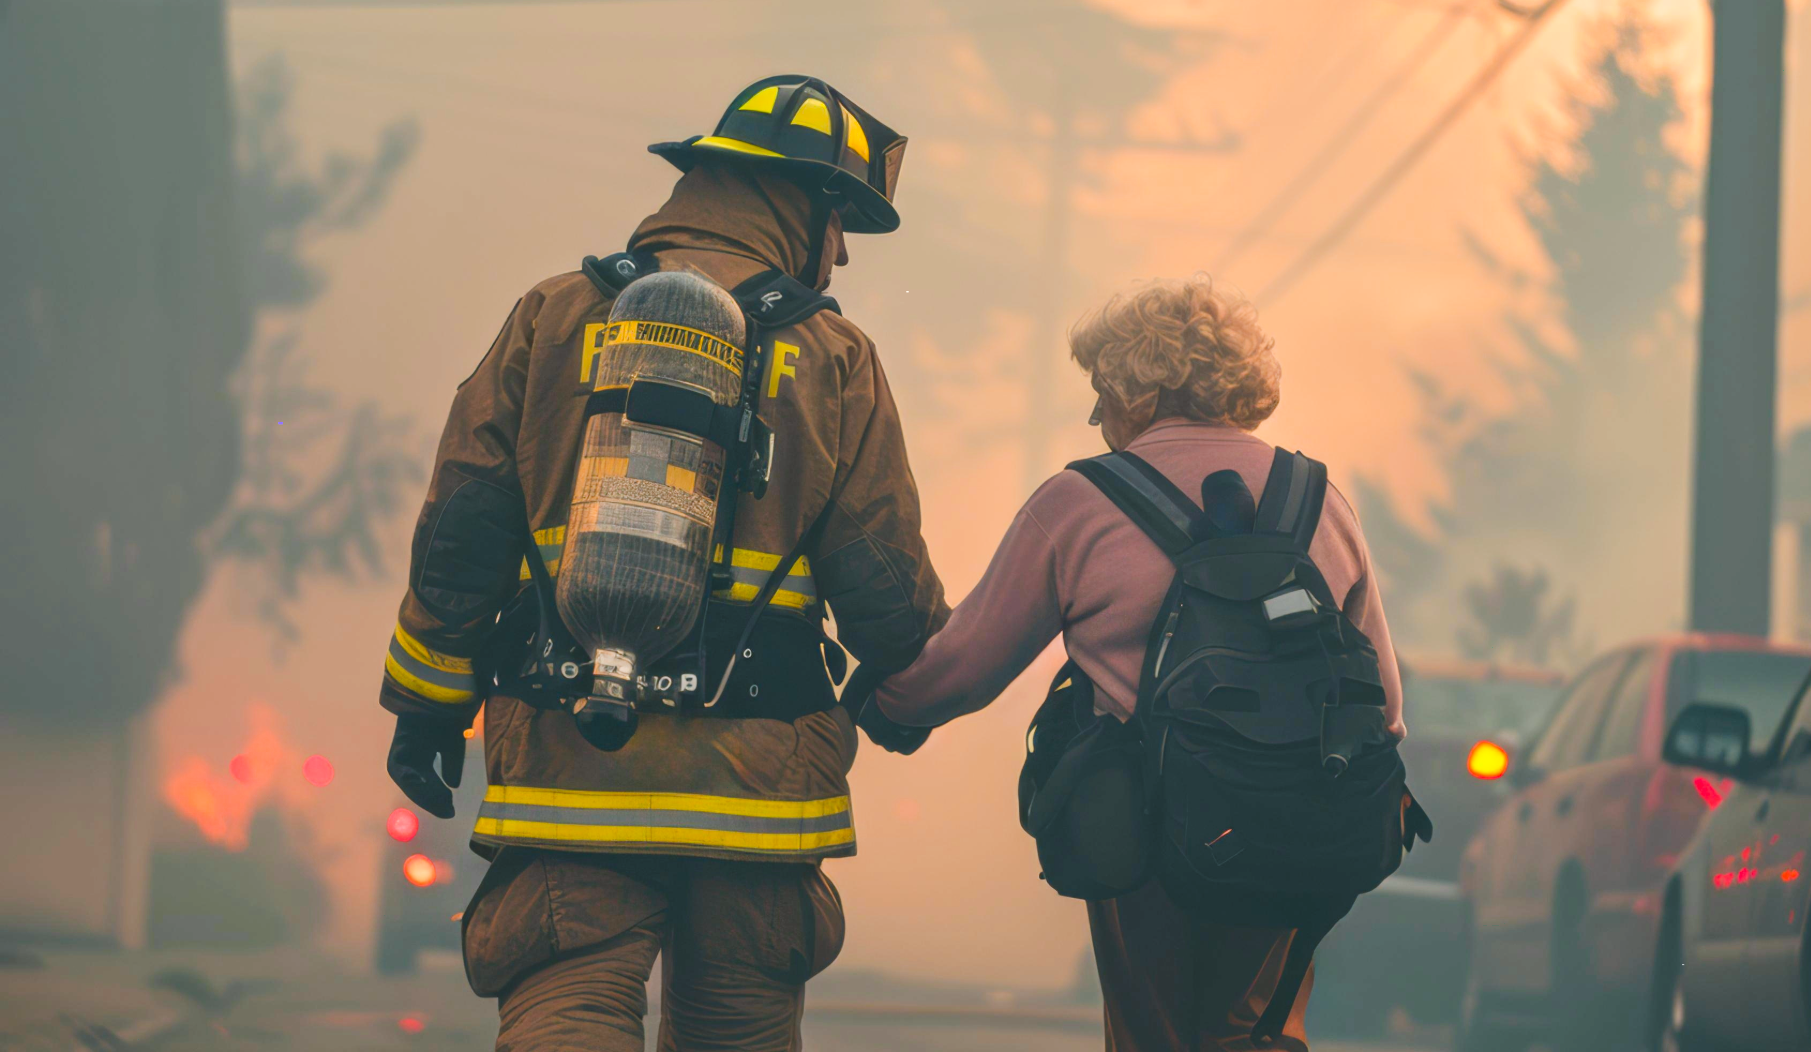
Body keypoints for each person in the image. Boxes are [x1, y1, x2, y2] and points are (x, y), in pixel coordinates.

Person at [376, 75, 947, 1051]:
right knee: (737, 1023)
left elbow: (462, 533)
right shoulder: (833, 356)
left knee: (569, 1004)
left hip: (571, 752)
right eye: (841, 218)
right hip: (756, 785)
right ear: (799, 205)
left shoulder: (551, 318)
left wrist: (427, 704)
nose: (844, 248)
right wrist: (912, 690)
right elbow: (883, 580)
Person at [864, 276, 1405, 1051]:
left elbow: (968, 662)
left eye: (1100, 390)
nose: (1093, 414)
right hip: (1300, 824)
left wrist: (891, 706)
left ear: (1138, 388)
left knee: (1155, 1035)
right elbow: (1382, 701)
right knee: (1255, 1030)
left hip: (1150, 830)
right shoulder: (1320, 499)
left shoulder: (1080, 502)